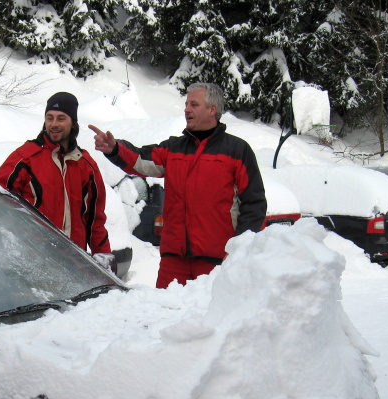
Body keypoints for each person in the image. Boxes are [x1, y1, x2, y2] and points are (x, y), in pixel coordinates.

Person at [90, 82, 267, 288]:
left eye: (194, 104)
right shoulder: (174, 148)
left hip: (217, 262)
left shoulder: (237, 150)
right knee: (165, 314)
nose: (186, 109)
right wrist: (114, 149)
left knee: (210, 318)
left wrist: (239, 251)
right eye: (186, 104)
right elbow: (141, 160)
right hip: (173, 262)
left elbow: (254, 205)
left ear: (212, 110)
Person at [0, 91, 112, 258]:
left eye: (61, 118)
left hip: (75, 262)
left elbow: (95, 221)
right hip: (33, 260)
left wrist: (104, 257)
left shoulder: (86, 166)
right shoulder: (25, 159)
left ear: (73, 123)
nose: (54, 124)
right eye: (50, 118)